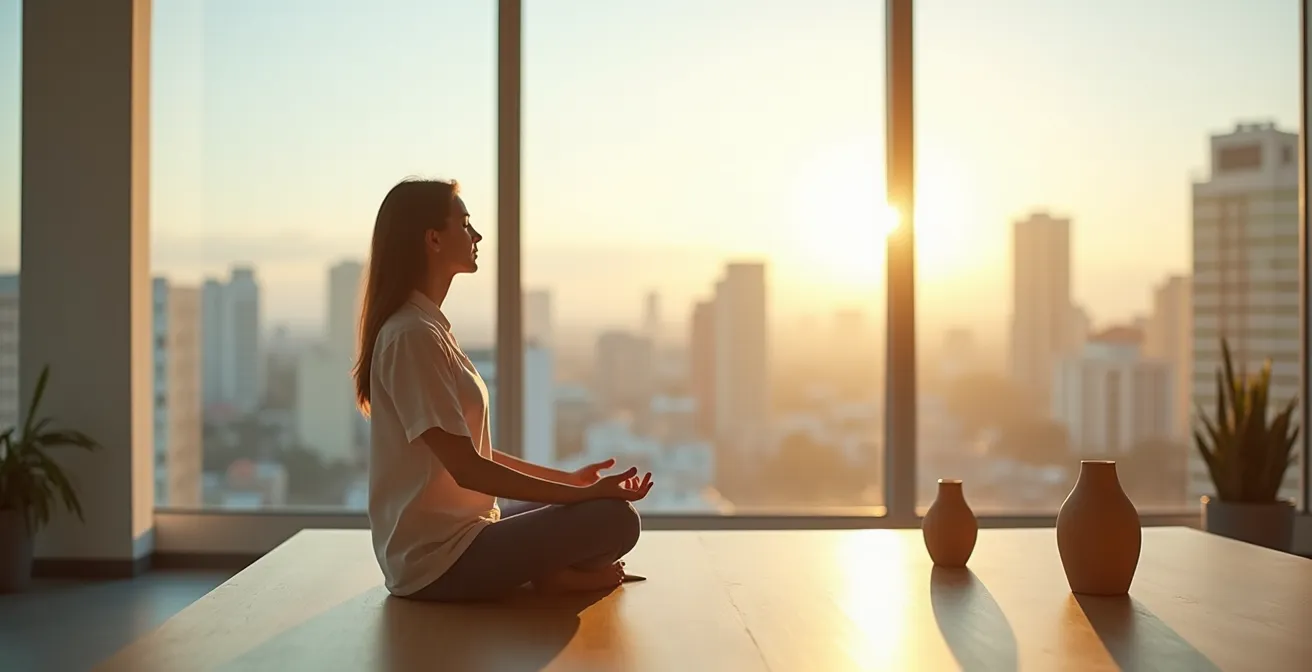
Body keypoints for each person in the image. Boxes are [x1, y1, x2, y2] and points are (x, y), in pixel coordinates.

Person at [352, 178, 654, 602]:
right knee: (616, 520)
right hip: (437, 563)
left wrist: (567, 481)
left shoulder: (430, 328)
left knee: (591, 510)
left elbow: (472, 453)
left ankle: (549, 572)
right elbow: (468, 468)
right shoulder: (411, 335)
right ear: (433, 238)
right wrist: (580, 494)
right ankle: (551, 575)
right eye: (465, 223)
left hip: (469, 533)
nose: (476, 236)